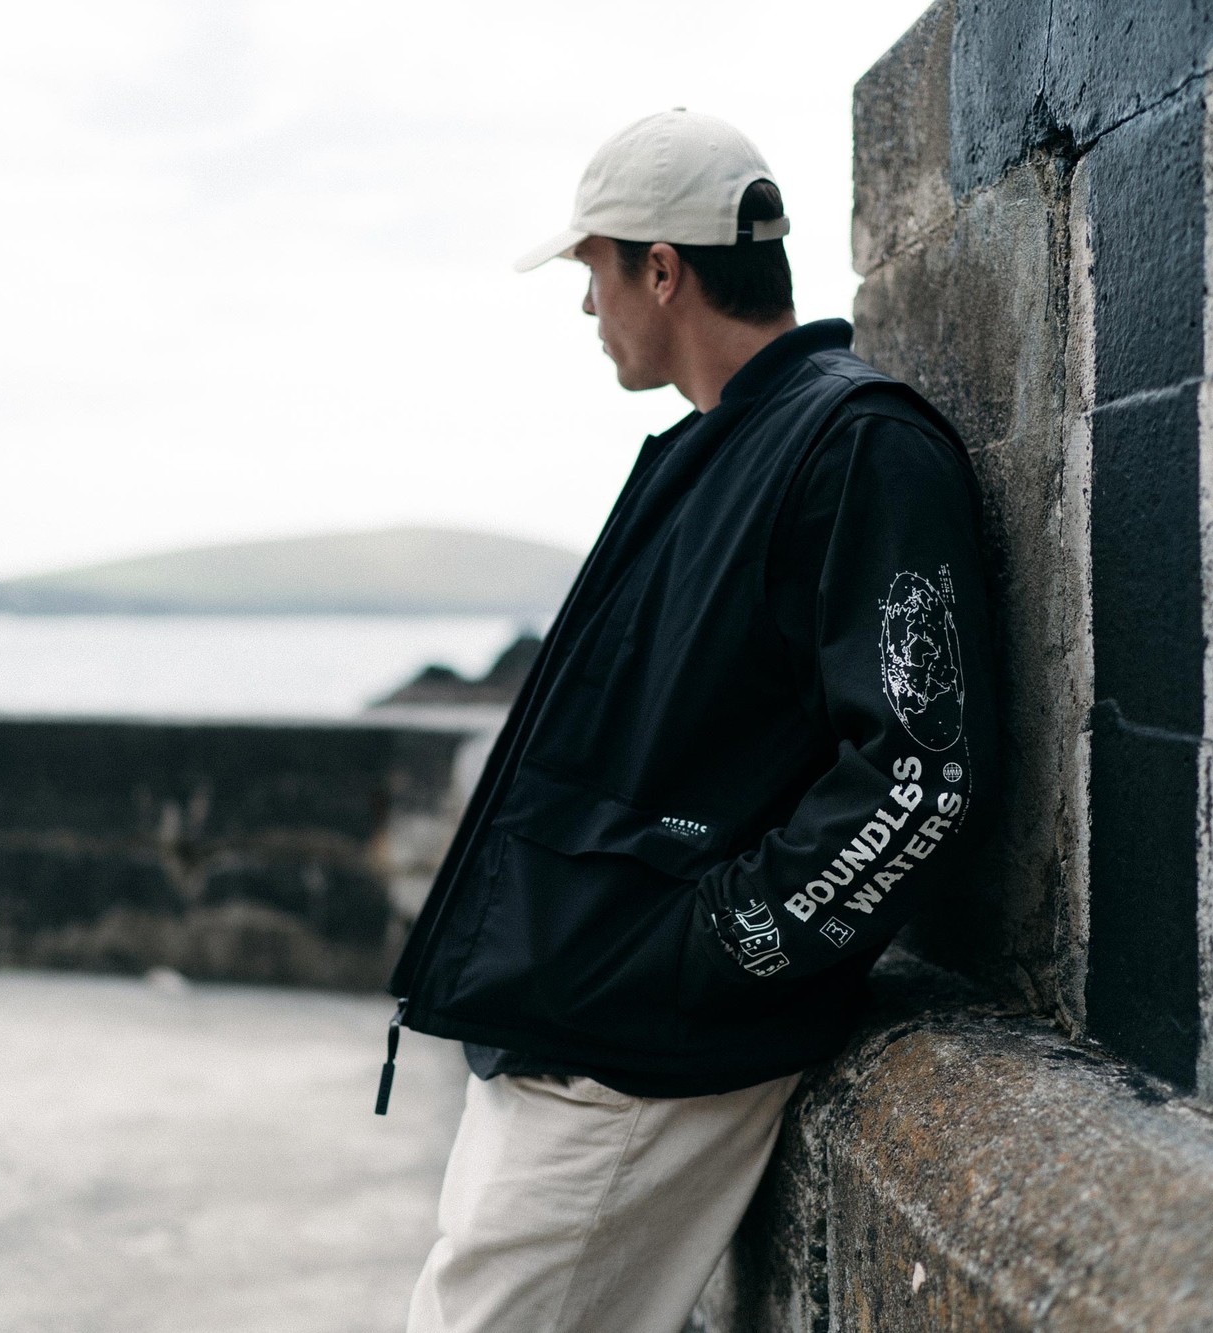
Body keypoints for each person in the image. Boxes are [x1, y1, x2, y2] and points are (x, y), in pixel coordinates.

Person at [382, 109, 1000, 1333]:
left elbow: (920, 772)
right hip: (569, 1036)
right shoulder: (719, 448)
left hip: (634, 1063)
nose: (586, 305)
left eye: (593, 269)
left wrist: (713, 947)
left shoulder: (854, 445)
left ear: (661, 269)